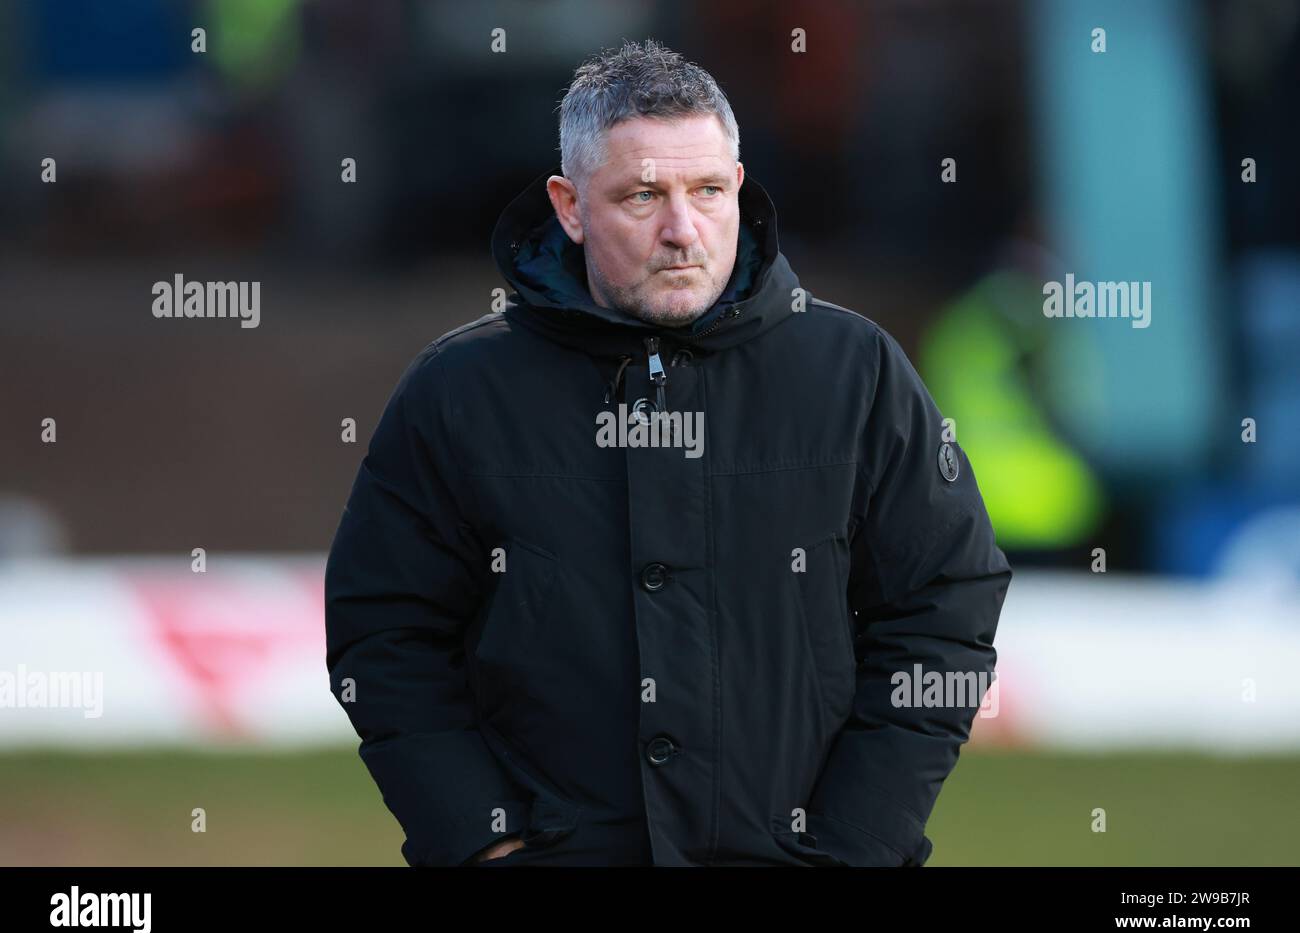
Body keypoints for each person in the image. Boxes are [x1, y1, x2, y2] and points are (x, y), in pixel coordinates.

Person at [324, 38, 1011, 867]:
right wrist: (481, 841)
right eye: (644, 195)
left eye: (709, 191)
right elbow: (384, 632)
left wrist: (860, 843)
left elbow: (946, 605)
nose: (684, 230)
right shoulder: (458, 390)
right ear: (570, 206)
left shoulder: (855, 372)